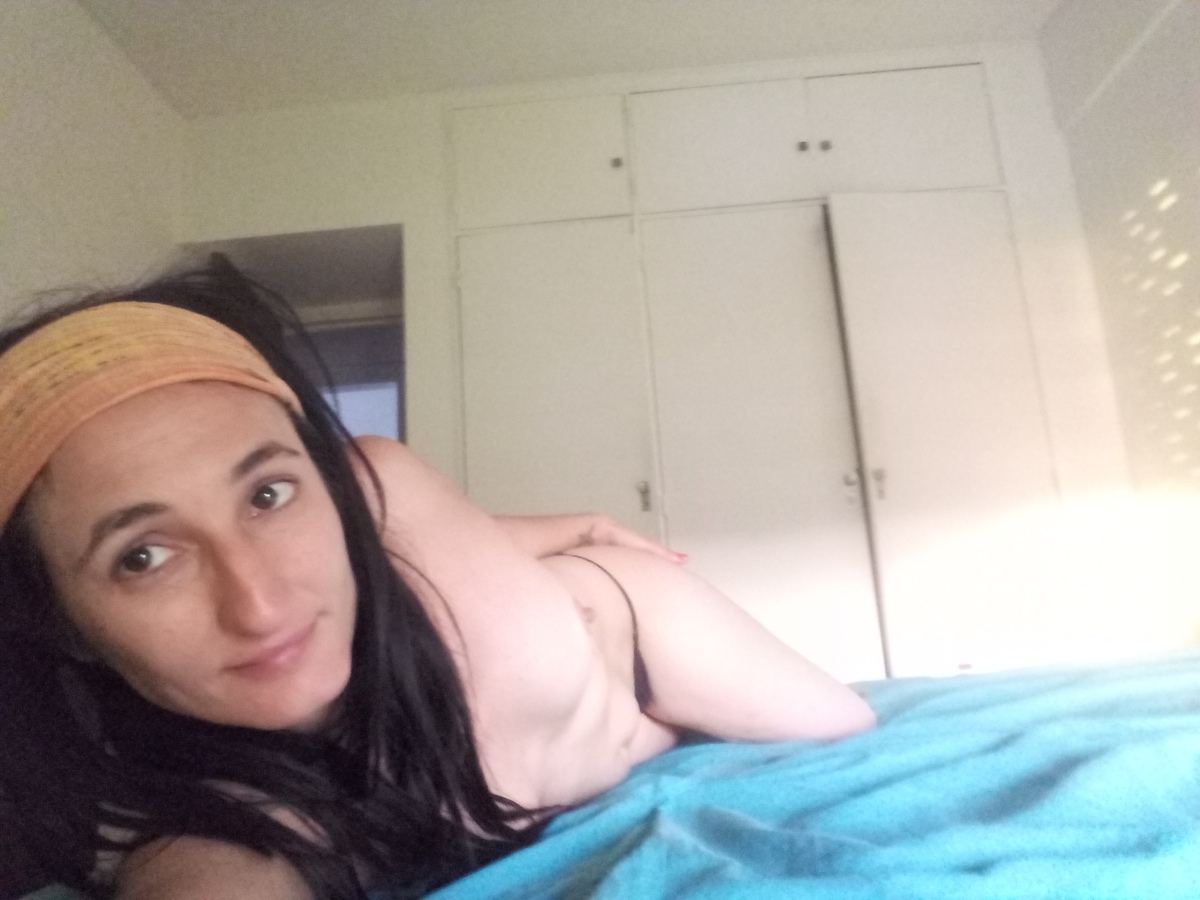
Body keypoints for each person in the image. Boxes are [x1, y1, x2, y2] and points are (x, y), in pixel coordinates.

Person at [0, 259, 875, 900]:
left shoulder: (377, 484)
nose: (258, 605)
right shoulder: (185, 829)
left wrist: (574, 531)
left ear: (328, 486)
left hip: (634, 624)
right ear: (64, 622)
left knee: (846, 723)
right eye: (144, 556)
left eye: (268, 495)